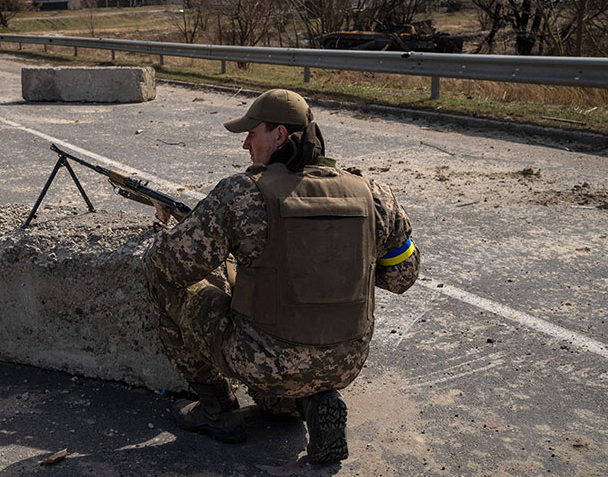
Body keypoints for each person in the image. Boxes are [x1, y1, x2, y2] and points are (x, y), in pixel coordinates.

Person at [143, 89, 420, 465]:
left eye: (252, 134)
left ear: (280, 136)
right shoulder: (374, 195)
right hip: (345, 361)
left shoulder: (243, 193)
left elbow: (166, 268)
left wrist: (168, 232)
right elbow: (403, 275)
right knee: (288, 357)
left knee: (168, 289)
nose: (244, 144)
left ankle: (216, 409)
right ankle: (313, 401)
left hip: (265, 358)